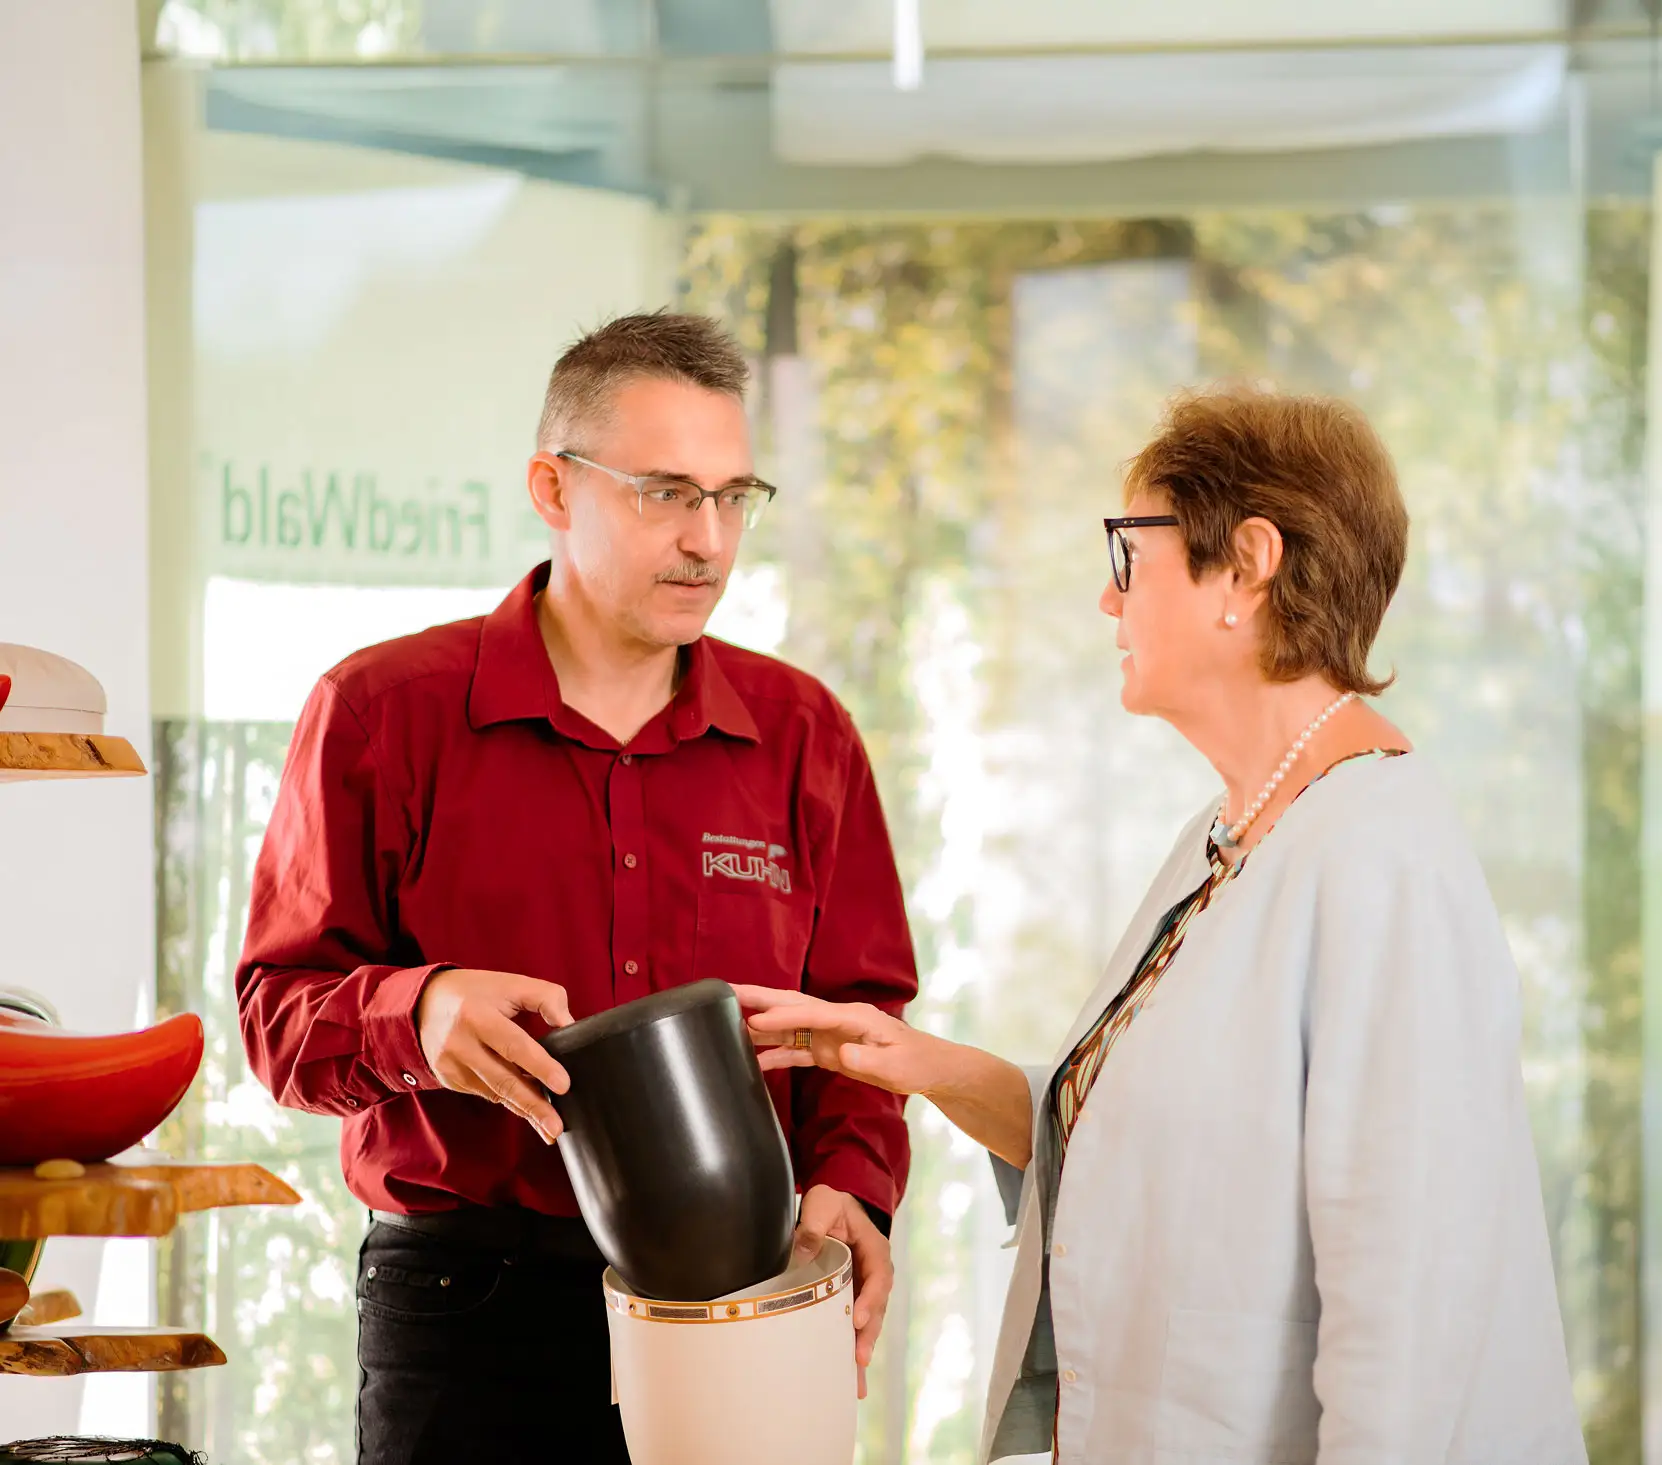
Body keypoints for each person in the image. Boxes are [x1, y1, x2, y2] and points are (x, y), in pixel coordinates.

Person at [737, 387, 1588, 1464]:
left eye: (1130, 555)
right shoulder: (1229, 831)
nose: (1107, 598)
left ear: (1246, 565)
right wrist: (919, 1063)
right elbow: (1148, 1149)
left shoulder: (1381, 858)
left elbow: (1408, 1318)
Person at [235, 311, 917, 1465]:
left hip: (741, 1305)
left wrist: (855, 1185)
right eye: (665, 493)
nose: (709, 539)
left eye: (732, 495)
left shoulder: (806, 734)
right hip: (467, 1305)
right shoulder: (380, 711)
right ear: (553, 488)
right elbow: (275, 1018)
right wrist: (422, 1009)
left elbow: (862, 1018)